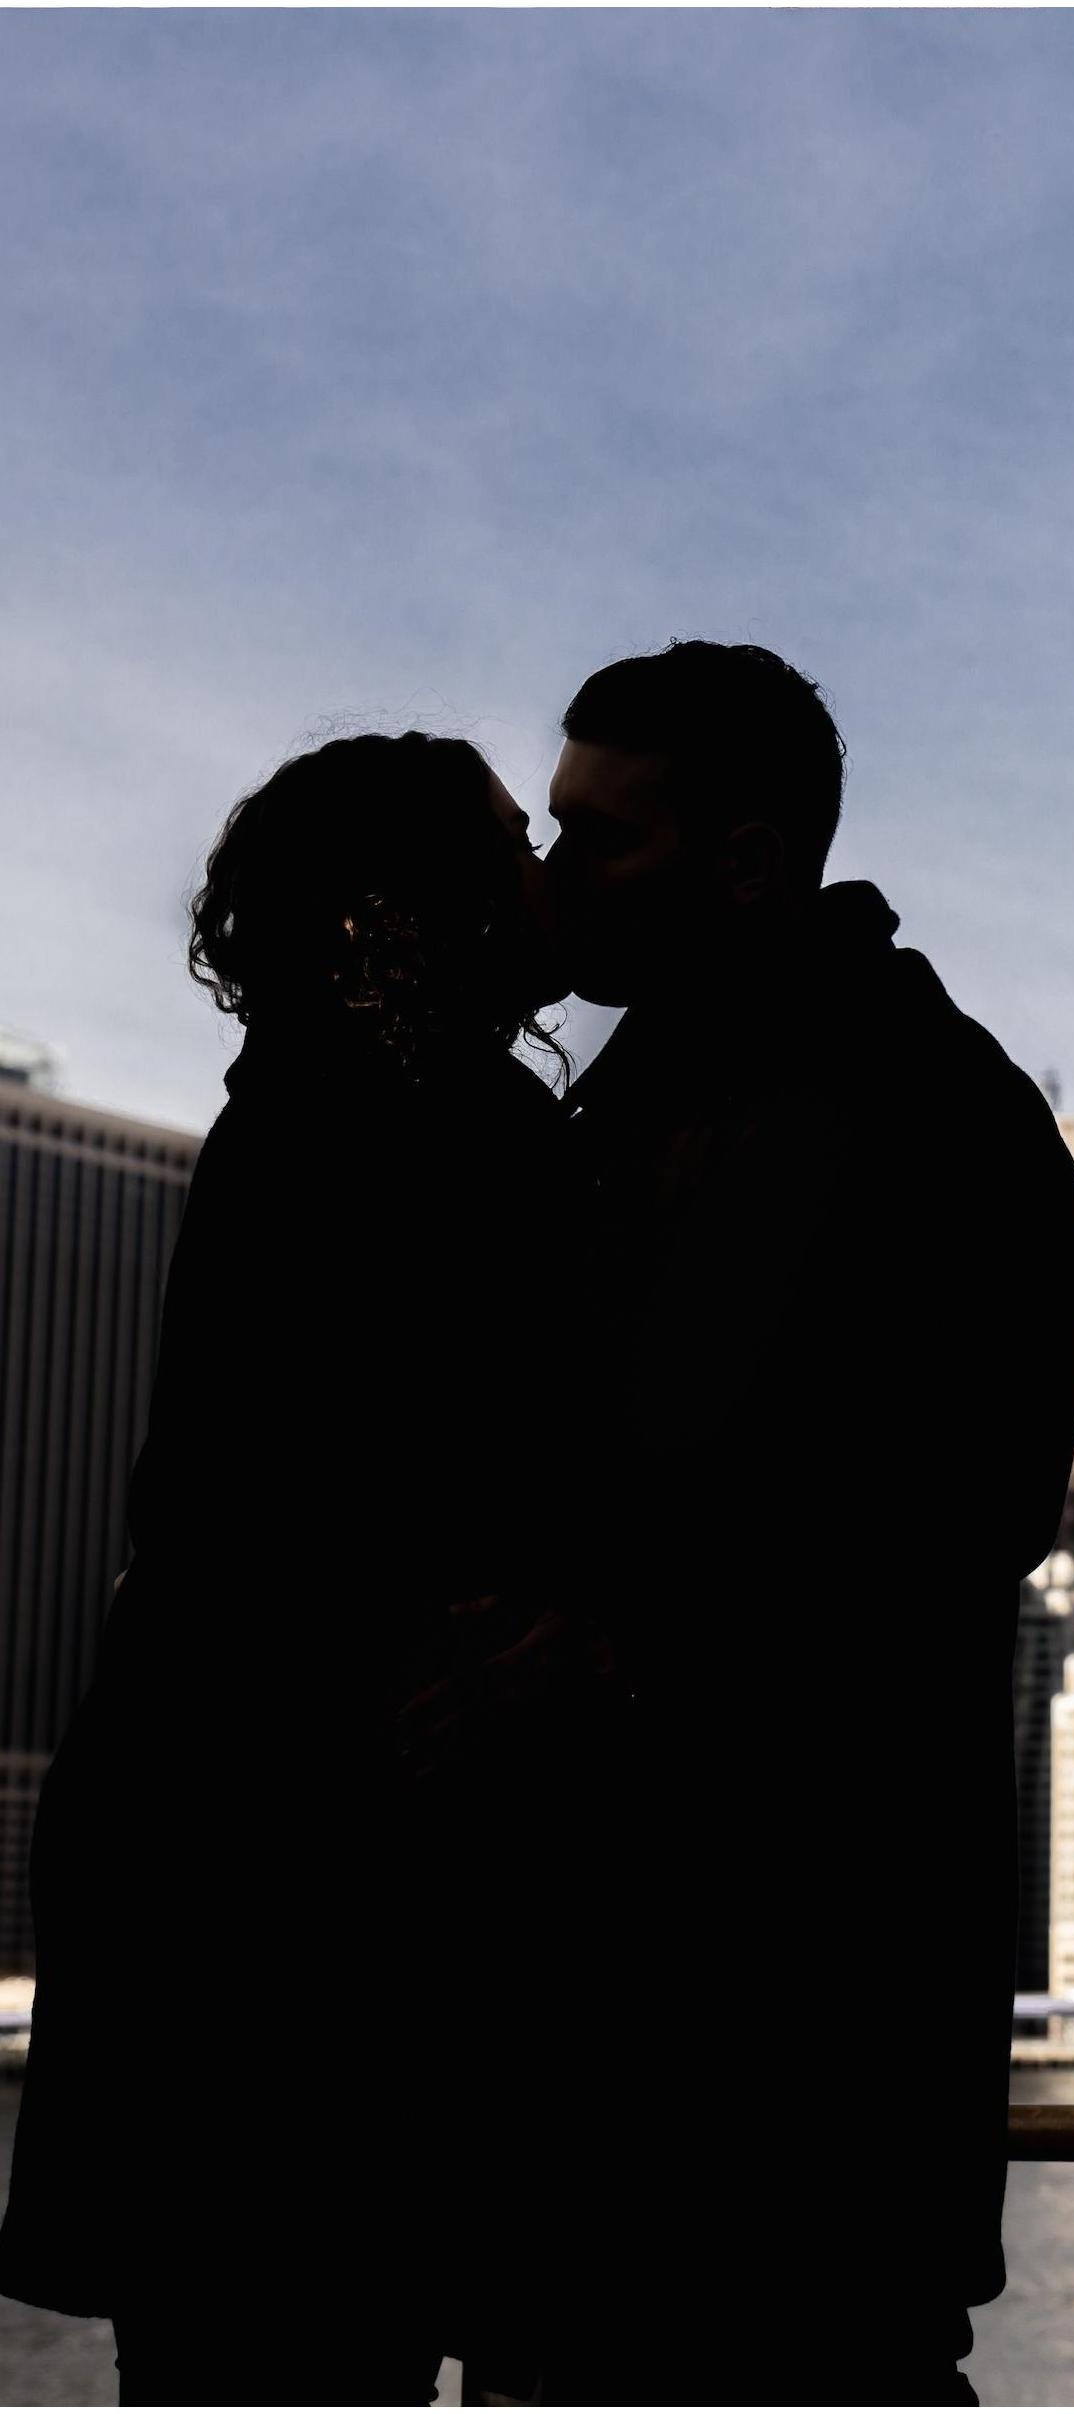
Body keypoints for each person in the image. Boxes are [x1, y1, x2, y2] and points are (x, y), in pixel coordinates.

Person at [518, 641, 1074, 2404]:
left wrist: (609, 1646)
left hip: (801, 2046)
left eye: (596, 837)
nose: (549, 875)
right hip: (598, 2055)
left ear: (749, 862)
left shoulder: (938, 1113)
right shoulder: (622, 1109)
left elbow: (966, 1510)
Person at [0, 734, 572, 2405]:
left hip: (223, 1869)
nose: (539, 874)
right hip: (297, 1898)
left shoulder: (320, 1108)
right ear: (410, 905)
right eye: (511, 841)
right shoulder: (422, 1126)